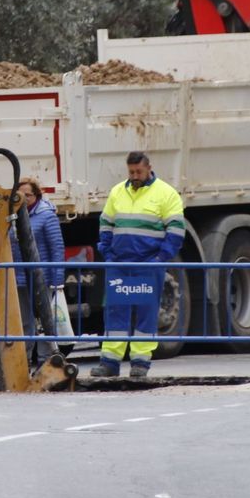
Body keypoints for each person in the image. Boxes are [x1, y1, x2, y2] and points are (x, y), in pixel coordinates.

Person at [94, 152, 185, 379]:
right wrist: (107, 253)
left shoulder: (166, 193)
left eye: (138, 172)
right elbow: (105, 223)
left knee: (145, 313)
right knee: (116, 312)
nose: (134, 176)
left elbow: (176, 231)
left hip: (147, 265)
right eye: (131, 172)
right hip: (120, 264)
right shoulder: (118, 191)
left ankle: (140, 364)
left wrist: (160, 259)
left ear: (149, 168)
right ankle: (110, 362)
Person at [8, 177, 65, 367]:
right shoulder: (12, 217)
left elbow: (56, 247)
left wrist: (57, 277)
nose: (24, 199)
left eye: (29, 195)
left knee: (44, 322)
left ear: (37, 195)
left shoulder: (47, 216)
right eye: (20, 195)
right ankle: (24, 362)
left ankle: (44, 361)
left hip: (43, 278)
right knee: (25, 322)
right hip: (20, 278)